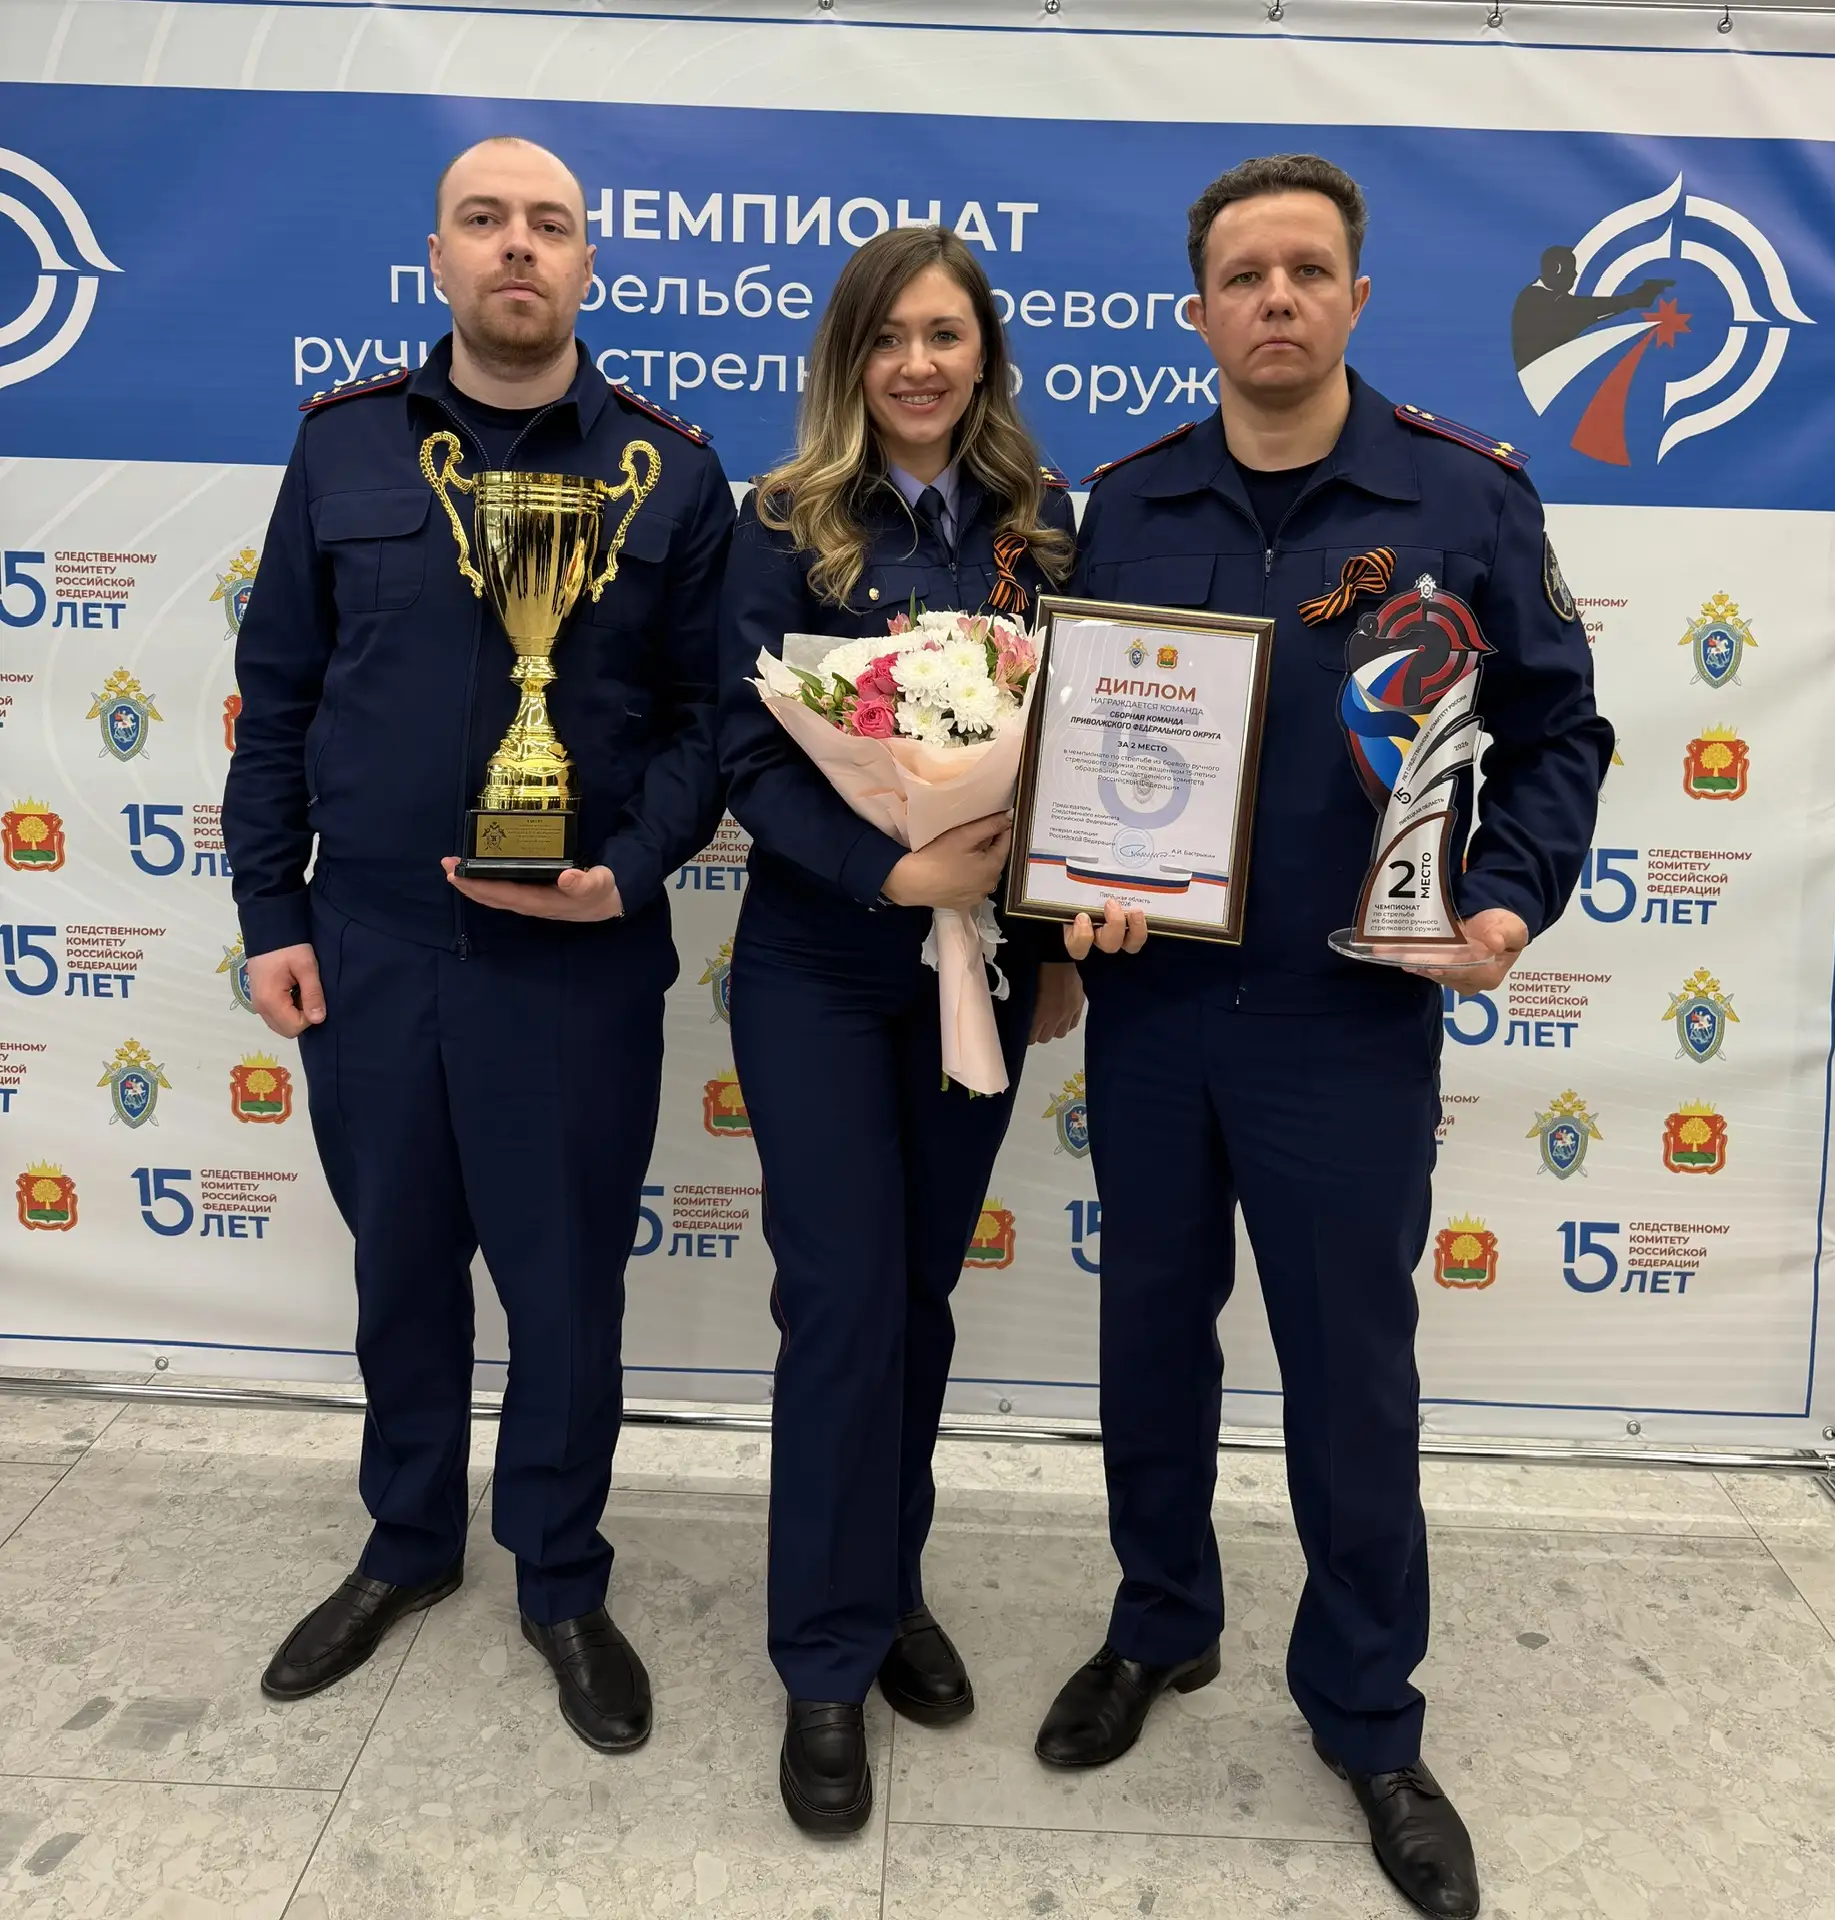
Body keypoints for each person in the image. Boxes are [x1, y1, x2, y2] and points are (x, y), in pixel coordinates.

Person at [1034, 155, 1611, 1920]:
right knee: (1149, 1339)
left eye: (1306, 270)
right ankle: (1162, 1622)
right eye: (1243, 274)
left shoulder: (1463, 496)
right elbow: (1069, 747)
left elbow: (1560, 733)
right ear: (1198, 310)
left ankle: (1367, 1713)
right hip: (1153, 1013)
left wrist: (1502, 901)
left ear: (1356, 297)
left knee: (1351, 1377)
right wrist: (1073, 901)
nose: (1275, 297)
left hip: (1348, 1017)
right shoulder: (1124, 505)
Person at [224, 135, 734, 1754]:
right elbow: (277, 698)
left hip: (572, 964)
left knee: (567, 1286)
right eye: (486, 220)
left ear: (588, 264)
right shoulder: (345, 448)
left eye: (551, 225)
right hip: (370, 947)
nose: (520, 246)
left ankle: (562, 1578)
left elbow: (709, 724)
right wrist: (269, 912)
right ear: (437, 255)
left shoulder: (670, 474)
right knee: (399, 1269)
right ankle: (406, 1544)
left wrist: (626, 876)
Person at [717, 225, 1083, 1835]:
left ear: (984, 351)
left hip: (980, 974)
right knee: (843, 1302)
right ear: (849, 361)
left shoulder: (1043, 529)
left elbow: (1085, 746)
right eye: (887, 338)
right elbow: (743, 747)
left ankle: (888, 1584)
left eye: (945, 334)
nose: (918, 364)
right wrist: (890, 868)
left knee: (918, 1299)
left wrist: (1049, 943)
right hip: (817, 964)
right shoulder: (782, 523)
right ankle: (821, 1661)